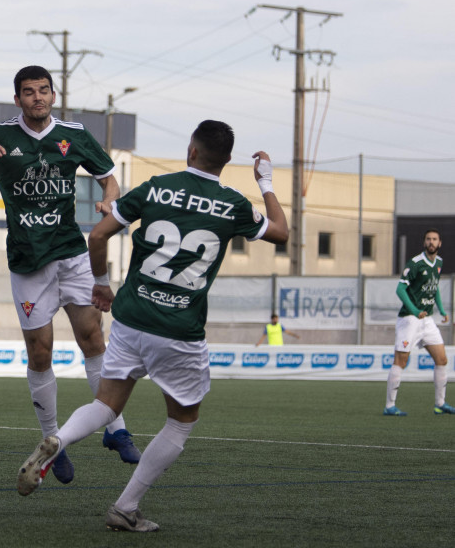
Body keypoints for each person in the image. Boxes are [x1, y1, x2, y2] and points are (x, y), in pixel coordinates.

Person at [16, 120, 289, 532]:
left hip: (131, 317)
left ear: (191, 151)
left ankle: (61, 440)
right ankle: (125, 507)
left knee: (106, 405)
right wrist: (265, 181)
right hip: (179, 330)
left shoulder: (155, 187)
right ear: (226, 161)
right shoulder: (233, 204)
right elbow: (282, 233)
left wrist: (102, 286)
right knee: (180, 423)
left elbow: (97, 237)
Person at [0, 65, 141, 484]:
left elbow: (110, 179)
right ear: (16, 99)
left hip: (72, 255)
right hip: (27, 261)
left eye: (43, 91)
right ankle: (51, 442)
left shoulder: (74, 134)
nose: (37, 98)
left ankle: (116, 429)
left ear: (53, 95)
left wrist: (109, 202)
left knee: (93, 339)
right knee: (41, 354)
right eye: (28, 92)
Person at [384, 228, 455, 416]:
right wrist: (415, 311)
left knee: (442, 359)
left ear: (440, 243)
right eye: (428, 239)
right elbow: (400, 290)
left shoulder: (438, 262)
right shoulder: (415, 263)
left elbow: (435, 287)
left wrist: (441, 309)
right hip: (409, 319)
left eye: (435, 239)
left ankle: (440, 404)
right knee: (401, 360)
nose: (431, 242)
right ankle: (390, 406)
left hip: (428, 320)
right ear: (424, 243)